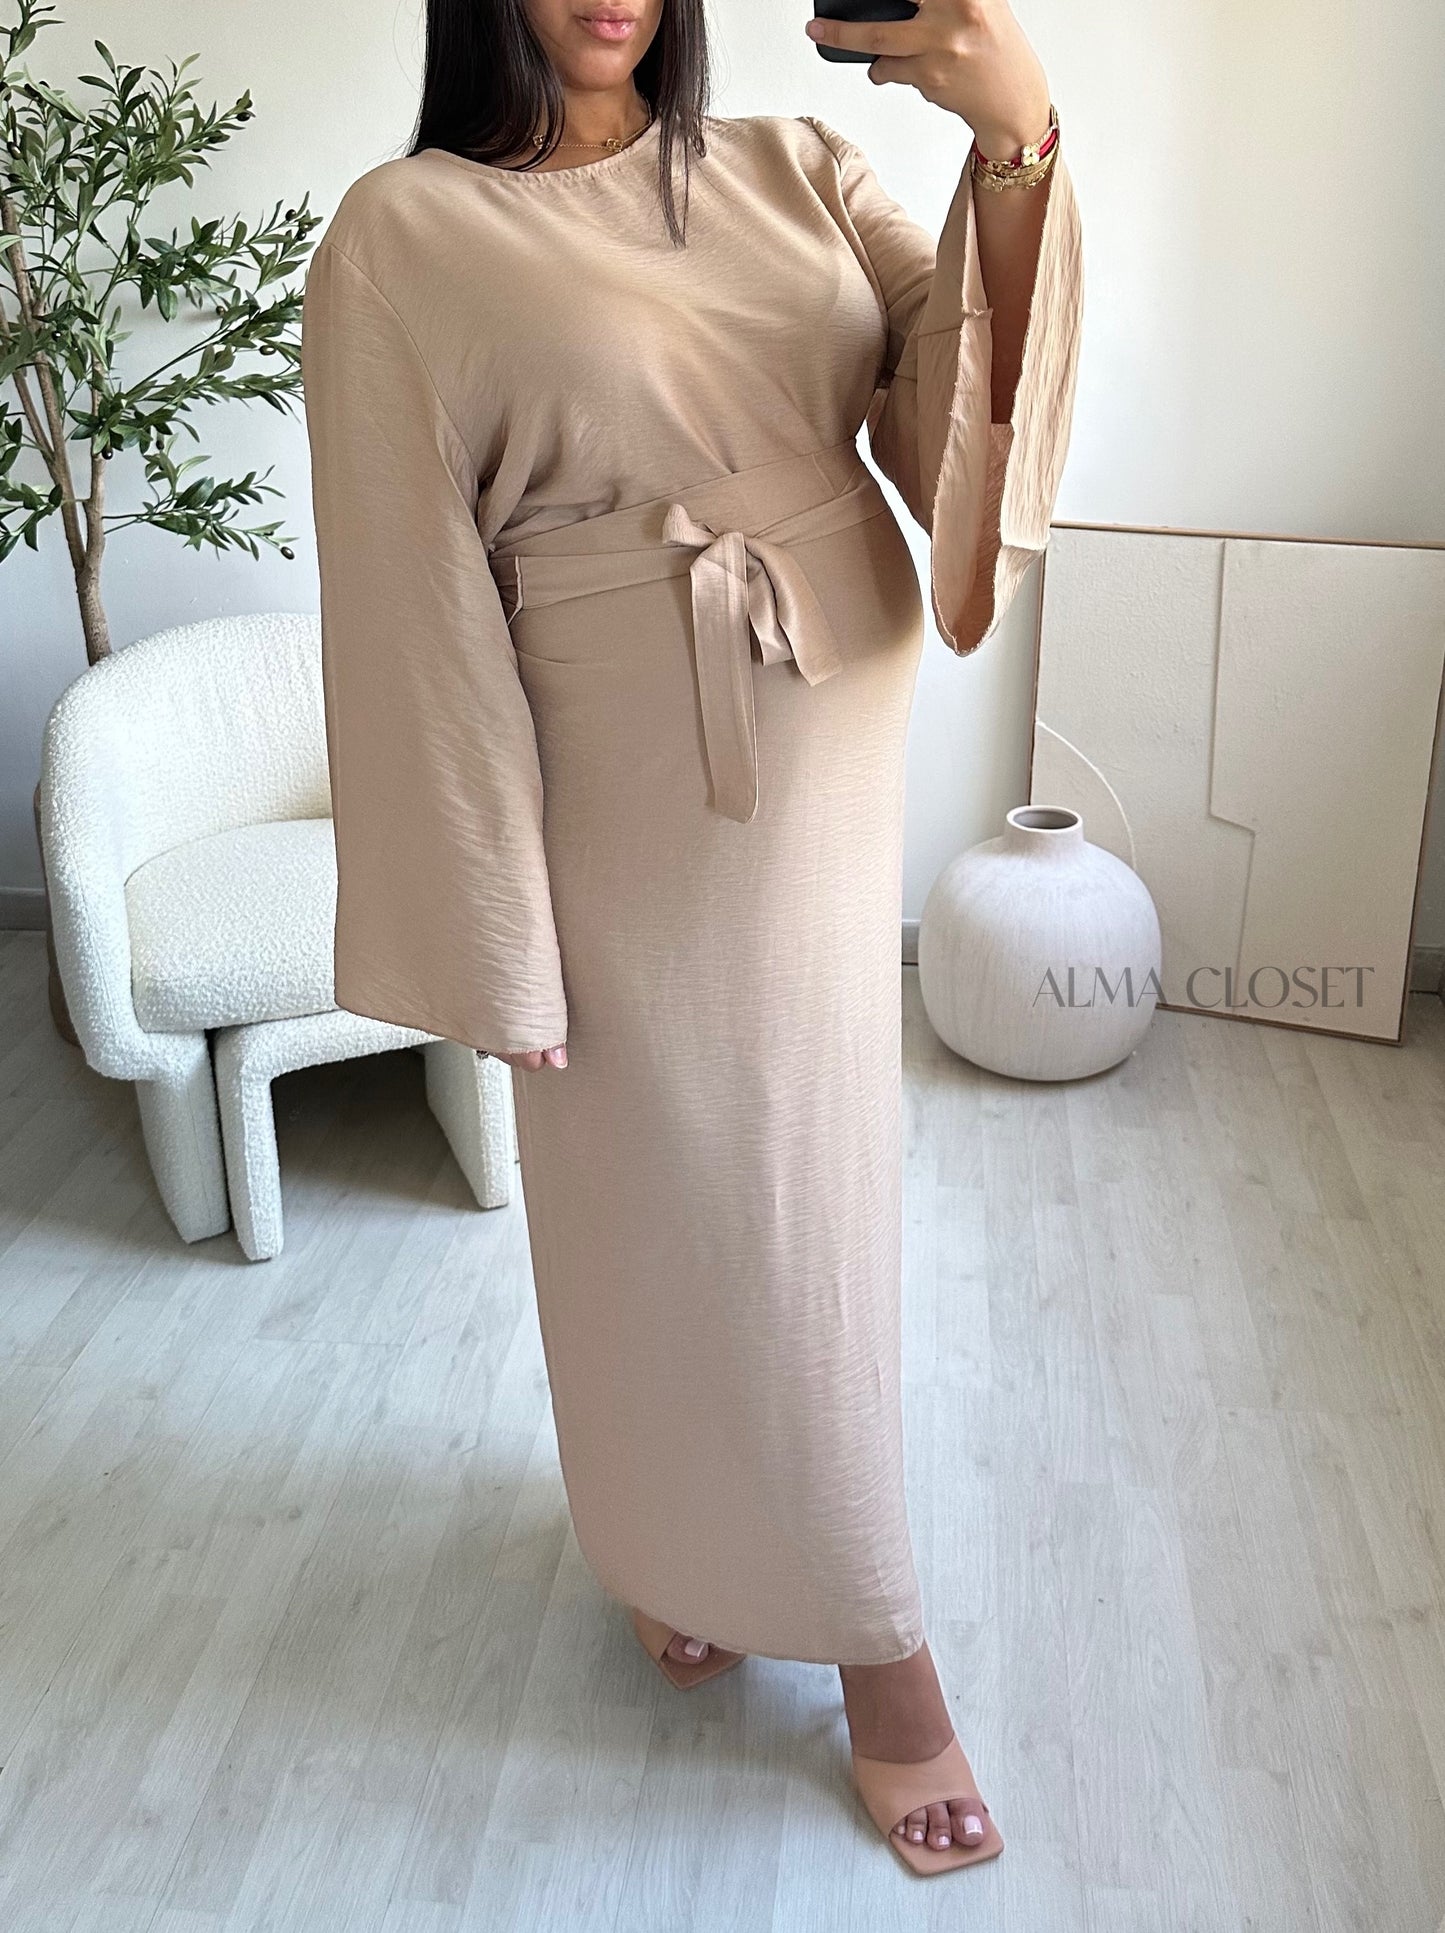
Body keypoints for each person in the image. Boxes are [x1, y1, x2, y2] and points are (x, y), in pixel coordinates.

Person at [301, 0, 1082, 1879]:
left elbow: (945, 405)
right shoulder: (407, 230)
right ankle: (715, 1555)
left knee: (795, 1187)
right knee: (652, 1187)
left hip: (822, 745)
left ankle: (856, 1621)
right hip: (630, 776)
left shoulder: (788, 164)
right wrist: (488, 927)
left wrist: (1014, 145)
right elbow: (408, 595)